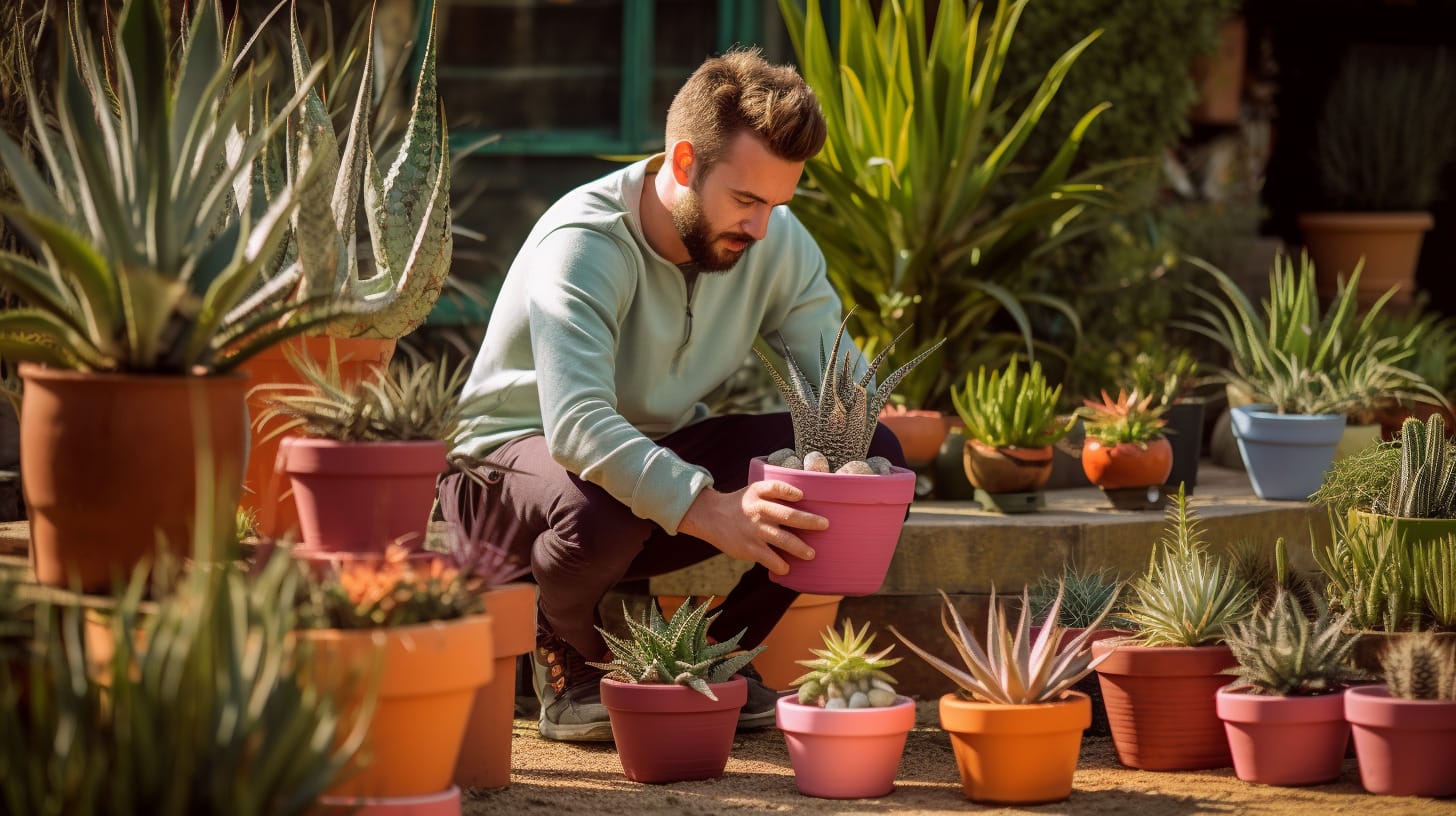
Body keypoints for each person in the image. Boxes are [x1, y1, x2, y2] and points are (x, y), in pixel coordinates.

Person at [446, 47, 905, 742]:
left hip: (648, 464)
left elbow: (845, 388)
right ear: (684, 164)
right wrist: (706, 507)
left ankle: (709, 658)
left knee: (868, 444)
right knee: (603, 503)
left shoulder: (773, 240)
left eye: (778, 203)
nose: (761, 227)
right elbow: (574, 427)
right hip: (505, 475)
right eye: (746, 200)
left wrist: (857, 480)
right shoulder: (585, 241)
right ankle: (566, 650)